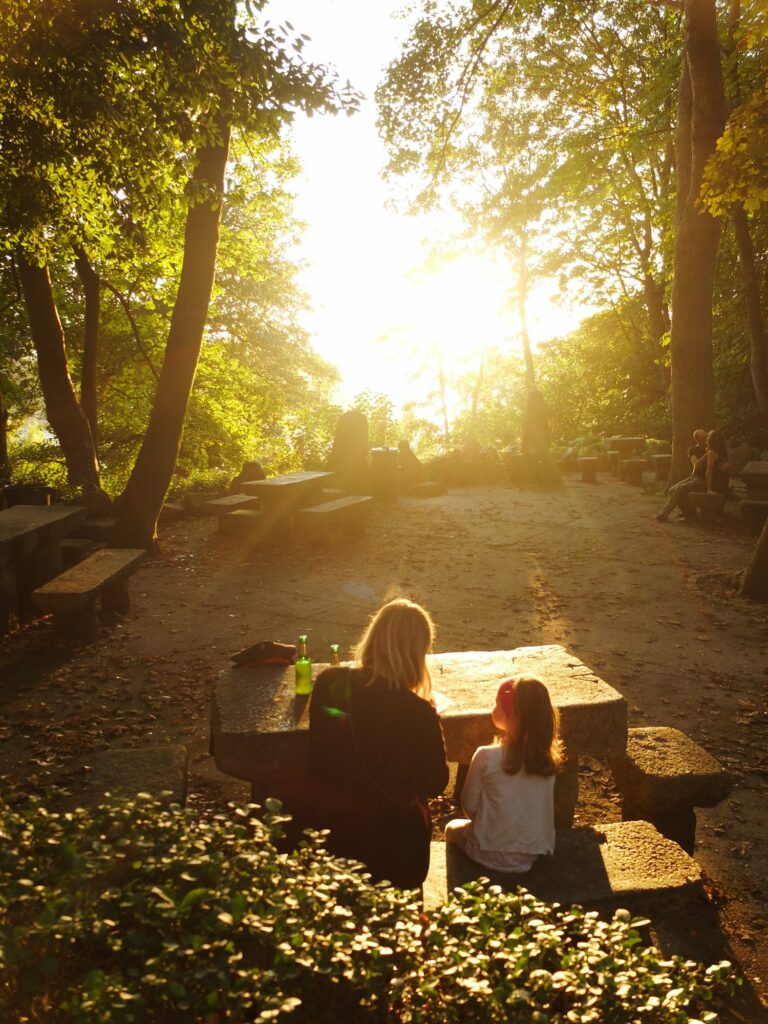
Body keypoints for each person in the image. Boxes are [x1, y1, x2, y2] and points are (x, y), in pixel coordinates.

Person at [300, 598, 448, 889]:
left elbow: (320, 758)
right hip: (396, 855)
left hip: (332, 838)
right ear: (417, 654)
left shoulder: (330, 683)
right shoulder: (418, 712)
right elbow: (435, 784)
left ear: (374, 638)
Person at [444, 675, 564, 873]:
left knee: (451, 827)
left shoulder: (486, 756)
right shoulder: (547, 761)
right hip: (532, 851)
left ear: (510, 715)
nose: (493, 708)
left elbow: (469, 806)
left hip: (486, 849)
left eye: (496, 703)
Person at [656, 429, 729, 522]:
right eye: (704, 438)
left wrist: (710, 488)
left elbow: (712, 470)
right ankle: (689, 515)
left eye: (707, 437)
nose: (706, 440)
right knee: (672, 490)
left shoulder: (714, 452)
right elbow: (697, 464)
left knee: (680, 489)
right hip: (695, 477)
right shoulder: (694, 450)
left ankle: (664, 514)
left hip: (703, 480)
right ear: (698, 440)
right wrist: (706, 454)